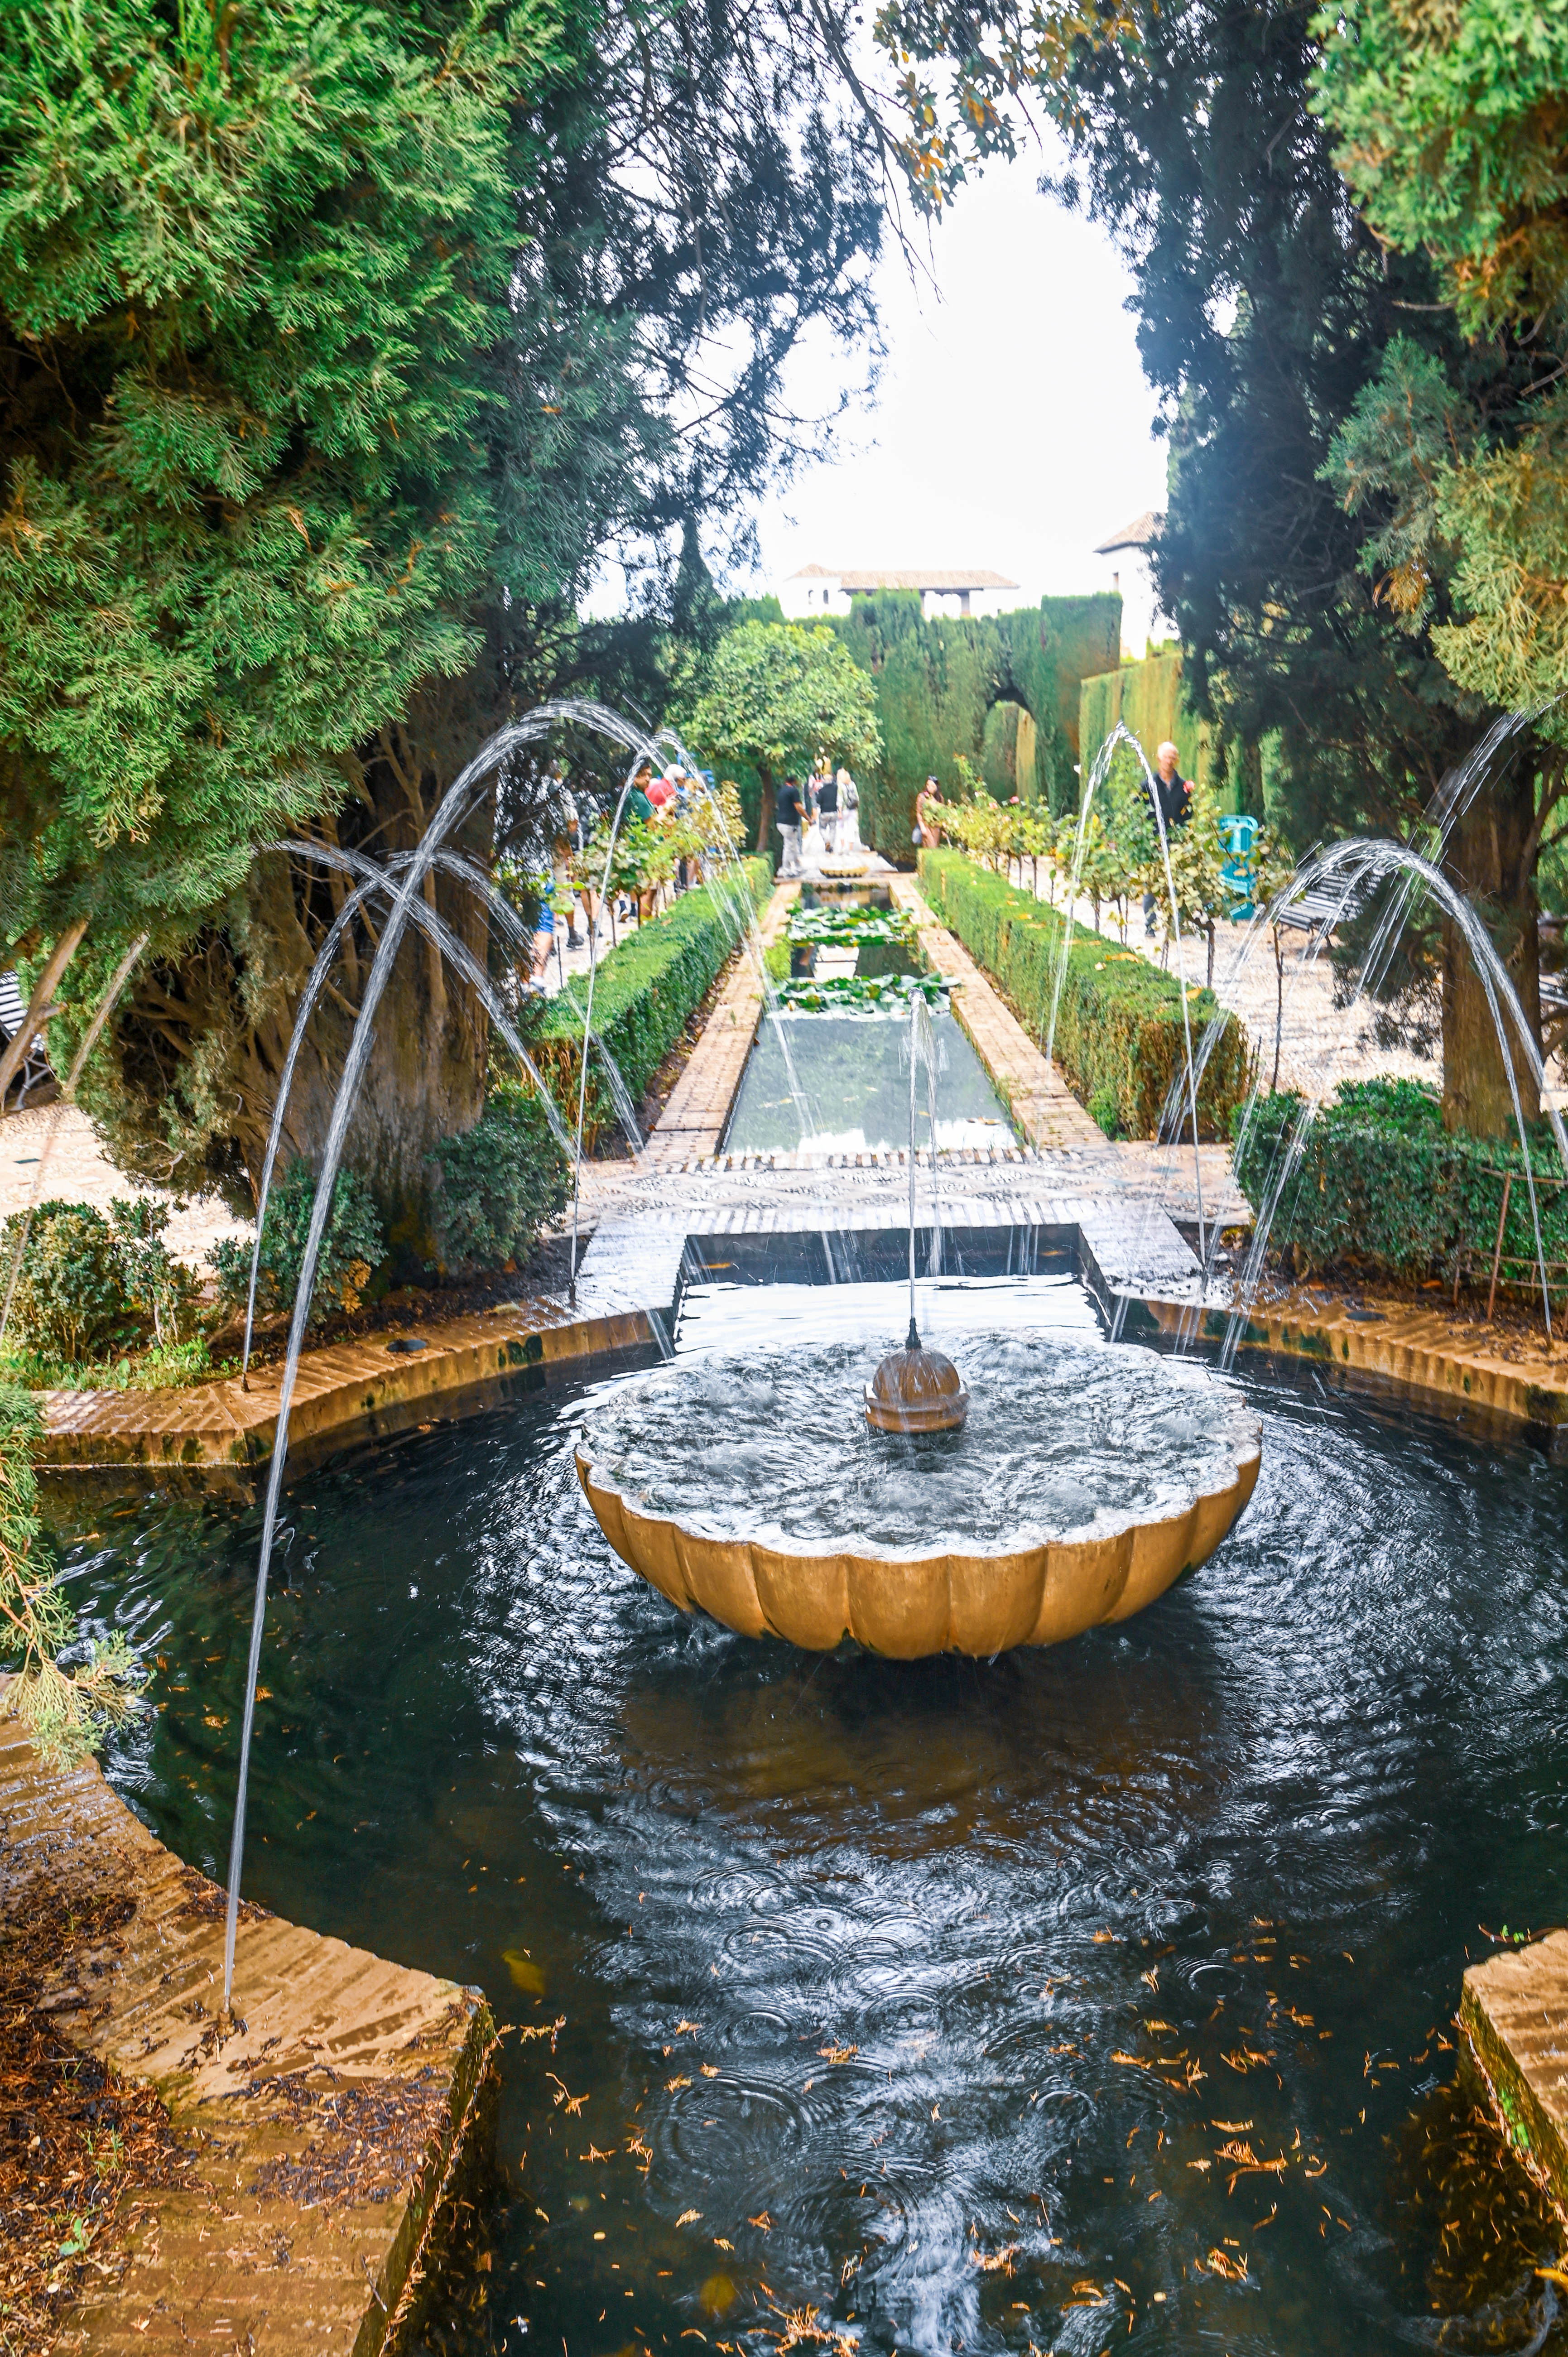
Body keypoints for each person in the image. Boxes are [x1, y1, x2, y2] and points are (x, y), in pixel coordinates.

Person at [1143, 739, 1193, 938]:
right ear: (1159, 759)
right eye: (1166, 757)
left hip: (1177, 842)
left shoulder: (1184, 787)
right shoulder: (1148, 784)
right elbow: (1140, 811)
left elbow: (1189, 814)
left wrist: (1185, 836)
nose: (1169, 761)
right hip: (1154, 842)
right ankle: (1150, 924)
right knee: (1152, 885)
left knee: (1178, 884)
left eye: (1173, 758)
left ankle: (1176, 925)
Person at [776, 773, 806, 875]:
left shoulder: (781, 791)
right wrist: (808, 818)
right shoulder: (793, 791)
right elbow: (799, 807)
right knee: (789, 846)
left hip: (780, 823)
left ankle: (797, 867)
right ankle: (786, 869)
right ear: (794, 782)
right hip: (790, 824)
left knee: (793, 845)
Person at [836, 766, 861, 852]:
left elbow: (840, 799)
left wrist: (839, 811)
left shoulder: (841, 786)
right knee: (851, 829)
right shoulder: (853, 784)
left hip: (844, 810)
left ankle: (843, 847)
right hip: (853, 809)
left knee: (840, 827)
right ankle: (850, 850)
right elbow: (857, 797)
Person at [815, 763, 839, 851]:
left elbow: (818, 801)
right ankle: (831, 846)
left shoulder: (822, 790)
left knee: (822, 828)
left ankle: (827, 840)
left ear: (824, 781)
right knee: (833, 829)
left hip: (824, 812)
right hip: (834, 812)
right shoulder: (836, 788)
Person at [915, 776, 943, 849]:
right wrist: (922, 827)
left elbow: (942, 814)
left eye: (932, 786)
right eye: (928, 785)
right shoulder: (922, 797)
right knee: (930, 847)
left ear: (937, 787)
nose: (930, 787)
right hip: (927, 827)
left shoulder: (940, 798)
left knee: (935, 848)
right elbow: (919, 813)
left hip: (936, 828)